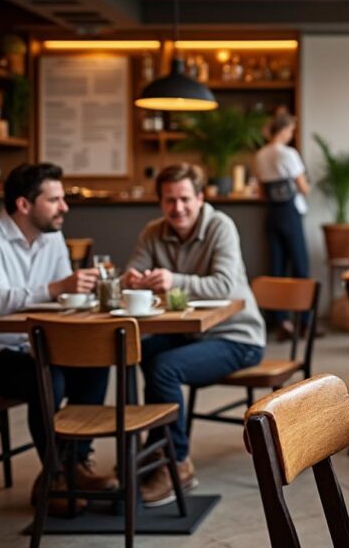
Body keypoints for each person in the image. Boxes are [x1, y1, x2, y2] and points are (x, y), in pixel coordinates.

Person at [0, 163, 115, 512]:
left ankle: (75, 465)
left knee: (94, 361)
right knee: (44, 376)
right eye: (54, 199)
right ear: (24, 205)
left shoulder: (52, 238)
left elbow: (58, 301)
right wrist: (61, 287)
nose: (64, 207)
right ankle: (55, 474)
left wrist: (78, 297)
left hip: (26, 346)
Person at [121, 163, 266, 507]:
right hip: (190, 333)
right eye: (169, 200)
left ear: (200, 198)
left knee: (164, 368)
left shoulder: (221, 226)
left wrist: (173, 280)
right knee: (139, 352)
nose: (178, 208)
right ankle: (159, 449)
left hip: (237, 336)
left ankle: (178, 465)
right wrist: (132, 279)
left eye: (185, 198)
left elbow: (225, 286)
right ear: (160, 202)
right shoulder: (153, 231)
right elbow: (134, 269)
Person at [254, 112, 310, 337]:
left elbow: (260, 192)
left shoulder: (260, 155)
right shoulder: (288, 154)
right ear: (285, 130)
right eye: (291, 130)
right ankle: (304, 322)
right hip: (289, 212)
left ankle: (280, 321)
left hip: (272, 213)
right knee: (300, 267)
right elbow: (303, 188)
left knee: (276, 267)